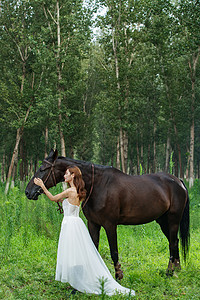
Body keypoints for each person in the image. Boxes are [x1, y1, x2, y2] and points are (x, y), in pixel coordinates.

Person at [34, 166, 135, 296]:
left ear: (73, 176)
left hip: (70, 224)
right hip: (76, 223)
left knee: (73, 253)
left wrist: (42, 186)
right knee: (77, 252)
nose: (64, 176)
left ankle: (78, 282)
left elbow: (53, 198)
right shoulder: (77, 190)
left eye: (66, 174)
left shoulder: (71, 191)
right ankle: (78, 280)